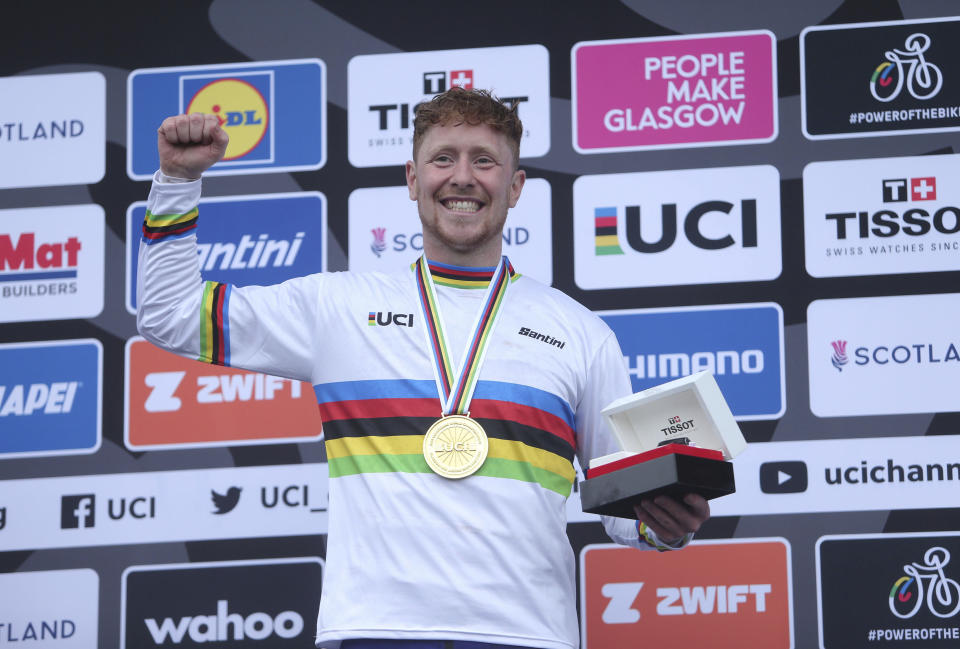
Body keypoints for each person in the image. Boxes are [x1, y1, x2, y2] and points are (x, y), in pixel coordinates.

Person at [138, 88, 710, 649]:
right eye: (443, 158)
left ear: (514, 188)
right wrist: (178, 182)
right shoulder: (338, 308)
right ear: (413, 179)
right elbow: (172, 315)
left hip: (527, 633)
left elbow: (621, 505)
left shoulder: (580, 333)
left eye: (484, 161)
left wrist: (660, 525)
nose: (462, 177)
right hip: (374, 631)